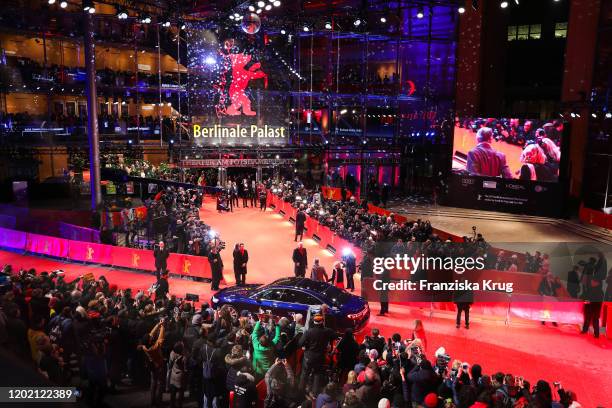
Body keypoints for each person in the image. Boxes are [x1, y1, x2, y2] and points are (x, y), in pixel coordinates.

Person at [299, 313, 336, 396]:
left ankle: (300, 393)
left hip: (309, 357)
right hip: (320, 357)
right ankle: (315, 394)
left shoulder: (308, 332)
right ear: (322, 321)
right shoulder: (327, 331)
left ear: (314, 322)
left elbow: (300, 343)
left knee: (304, 374)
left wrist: (307, 346)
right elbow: (335, 336)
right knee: (317, 374)